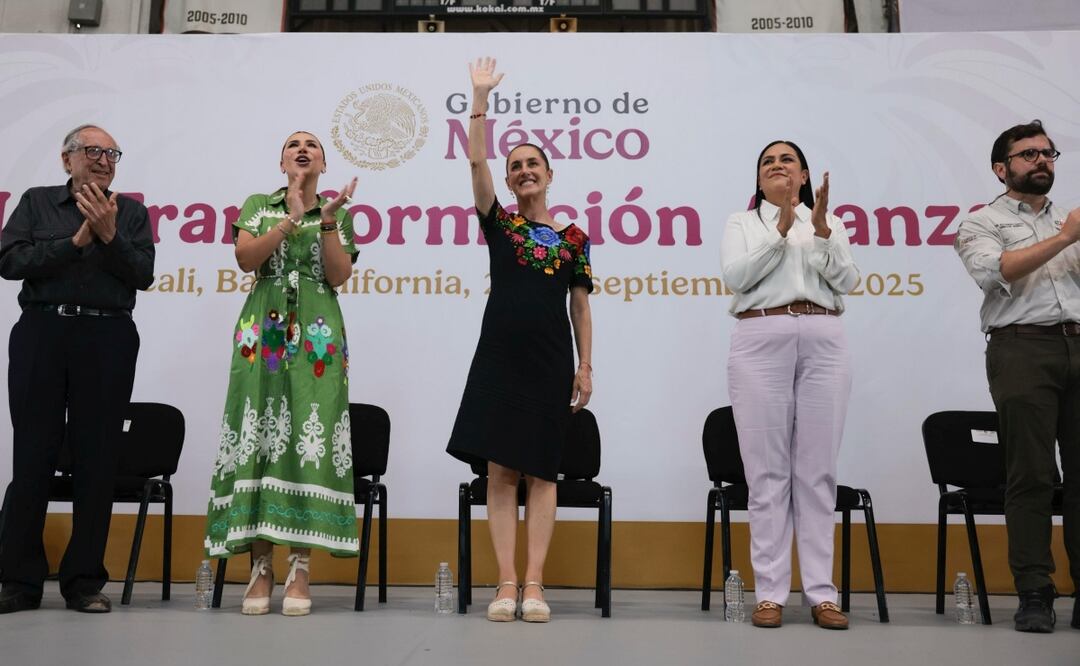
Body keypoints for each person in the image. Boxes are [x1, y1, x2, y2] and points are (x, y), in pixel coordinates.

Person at [446, 57, 594, 623]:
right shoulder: (500, 224)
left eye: (534, 164)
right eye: (516, 167)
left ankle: (535, 585)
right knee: (500, 472)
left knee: (541, 472)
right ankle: (505, 583)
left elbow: (580, 304)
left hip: (551, 362)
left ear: (550, 175)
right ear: (508, 182)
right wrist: (479, 97)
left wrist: (585, 367)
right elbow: (476, 157)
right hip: (498, 360)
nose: (524, 171)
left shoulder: (575, 238)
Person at [0, 124, 155, 613]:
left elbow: (144, 275)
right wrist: (75, 242)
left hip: (107, 337)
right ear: (67, 159)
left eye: (112, 153)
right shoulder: (36, 202)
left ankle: (84, 582)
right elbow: (9, 260)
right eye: (93, 151)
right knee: (32, 457)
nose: (104, 160)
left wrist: (109, 238)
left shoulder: (129, 213)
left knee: (97, 459)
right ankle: (19, 582)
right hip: (43, 333)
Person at [203, 131, 359, 617]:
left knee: (305, 435)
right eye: (294, 144)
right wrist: (290, 216)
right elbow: (247, 258)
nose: (303, 149)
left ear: (324, 165)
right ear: (281, 160)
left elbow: (337, 276)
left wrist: (326, 222)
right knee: (261, 433)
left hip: (317, 329)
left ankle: (300, 566)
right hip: (263, 326)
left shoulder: (337, 212)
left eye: (312, 145)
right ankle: (262, 566)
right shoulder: (258, 205)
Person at [719, 140, 858, 629]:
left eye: (787, 162)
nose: (777, 167)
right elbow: (737, 276)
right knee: (766, 472)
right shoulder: (742, 222)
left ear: (803, 176)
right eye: (767, 163)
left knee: (818, 471)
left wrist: (819, 233)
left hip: (823, 335)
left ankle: (822, 593)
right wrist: (779, 230)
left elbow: (848, 280)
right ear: (759, 180)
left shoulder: (829, 222)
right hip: (761, 334)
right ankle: (771, 592)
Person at [954, 119, 1080, 633]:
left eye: (1048, 153)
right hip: (1022, 349)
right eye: (1029, 155)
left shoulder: (1069, 220)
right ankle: (1035, 591)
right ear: (1001, 168)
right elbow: (997, 271)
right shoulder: (981, 222)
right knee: (1030, 475)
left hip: (1078, 340)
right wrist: (1067, 237)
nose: (1042, 161)